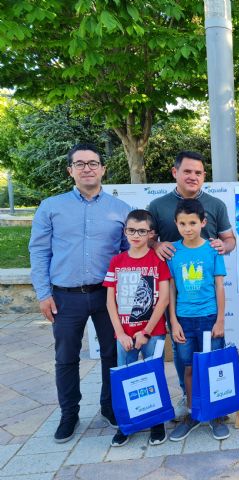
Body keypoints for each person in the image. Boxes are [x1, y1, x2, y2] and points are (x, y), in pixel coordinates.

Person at [29, 144, 131, 443]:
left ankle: (109, 407)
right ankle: (69, 414)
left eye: (93, 163)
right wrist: (43, 294)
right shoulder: (51, 206)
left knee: (112, 354)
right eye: (80, 163)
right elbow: (39, 251)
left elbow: (128, 255)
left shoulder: (120, 210)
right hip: (65, 297)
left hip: (106, 296)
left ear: (102, 169)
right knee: (66, 357)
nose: (87, 168)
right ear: (70, 170)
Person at [148, 151, 235, 419]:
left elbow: (230, 241)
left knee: (211, 357)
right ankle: (189, 401)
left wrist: (224, 245)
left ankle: (215, 405)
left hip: (207, 301)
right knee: (184, 358)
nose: (193, 177)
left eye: (198, 172)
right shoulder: (158, 206)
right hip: (176, 293)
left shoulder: (216, 204)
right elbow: (146, 240)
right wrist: (157, 244)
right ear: (175, 173)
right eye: (187, 171)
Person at [103, 209, 172, 447]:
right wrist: (120, 333)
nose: (136, 235)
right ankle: (127, 424)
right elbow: (110, 300)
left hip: (152, 332)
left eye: (142, 231)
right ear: (125, 231)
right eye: (131, 230)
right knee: (126, 378)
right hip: (124, 334)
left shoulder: (157, 260)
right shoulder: (117, 261)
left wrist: (146, 332)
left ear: (151, 234)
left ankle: (157, 423)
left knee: (154, 375)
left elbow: (163, 299)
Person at [166, 199, 229, 442]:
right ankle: (193, 413)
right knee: (189, 368)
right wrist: (174, 321)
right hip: (183, 319)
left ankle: (215, 415)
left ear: (203, 223)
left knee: (212, 366)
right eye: (182, 223)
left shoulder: (213, 250)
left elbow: (219, 286)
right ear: (176, 224)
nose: (187, 228)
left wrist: (220, 320)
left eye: (192, 223)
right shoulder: (173, 251)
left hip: (210, 318)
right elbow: (171, 288)